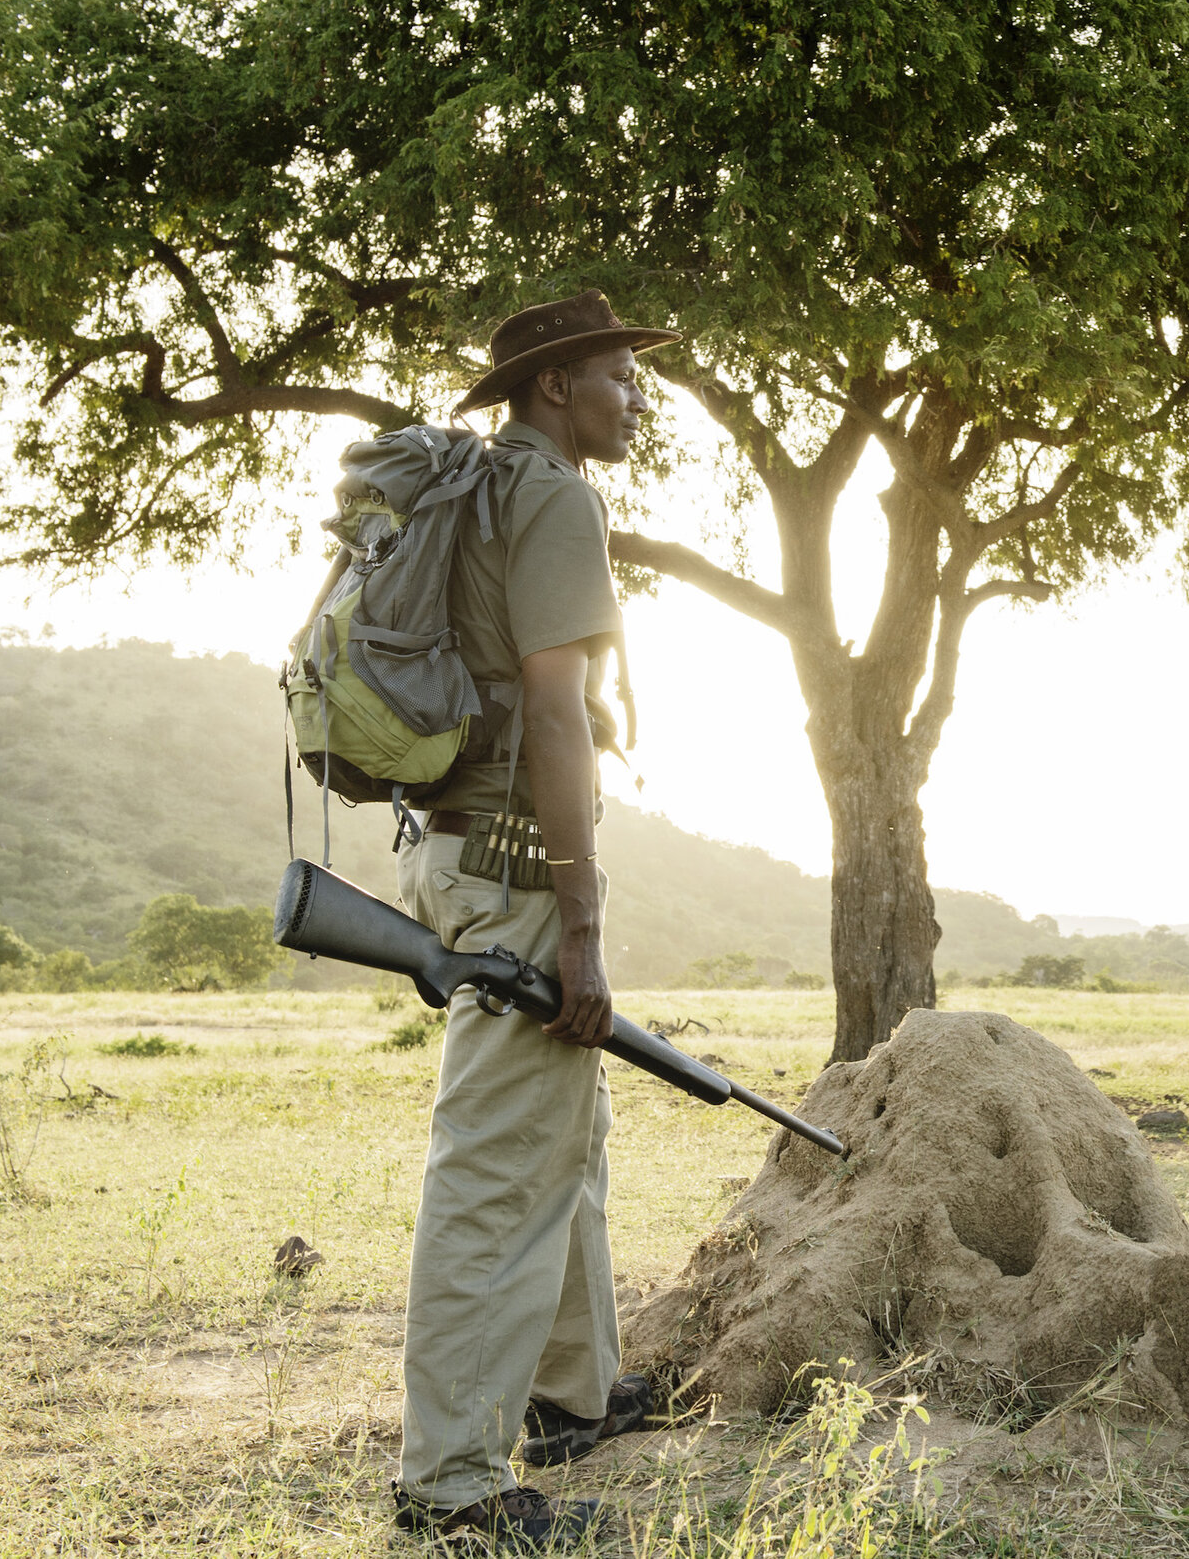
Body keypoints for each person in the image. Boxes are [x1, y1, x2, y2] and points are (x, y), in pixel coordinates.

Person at [388, 290, 673, 1545]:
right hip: (515, 858)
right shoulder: (554, 494)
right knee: (499, 1169)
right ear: (555, 386)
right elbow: (558, 711)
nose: (636, 395)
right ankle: (448, 1478)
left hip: (456, 843)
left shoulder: (474, 486)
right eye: (618, 375)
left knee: (568, 1122)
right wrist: (582, 917)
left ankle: (572, 1394)